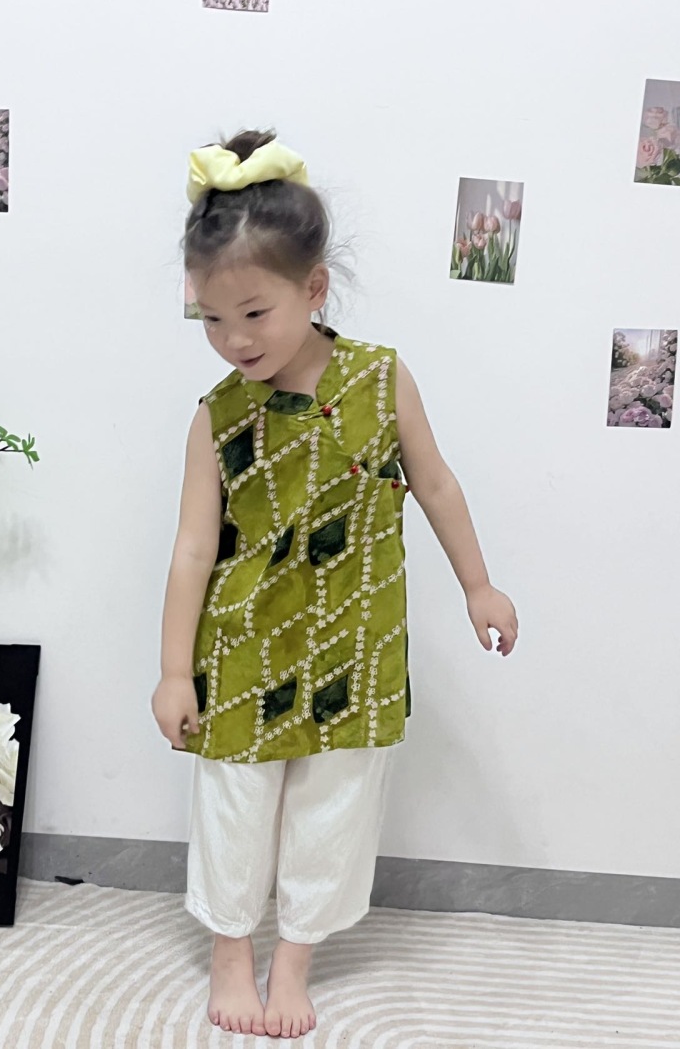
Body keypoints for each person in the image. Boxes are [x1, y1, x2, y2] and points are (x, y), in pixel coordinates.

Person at [151, 129, 518, 1040]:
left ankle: (295, 960)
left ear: (313, 289)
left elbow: (435, 484)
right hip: (244, 644)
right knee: (236, 806)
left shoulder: (380, 379)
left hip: (355, 641)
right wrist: (173, 672)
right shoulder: (217, 417)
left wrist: (479, 586)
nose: (234, 340)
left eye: (254, 313)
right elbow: (193, 549)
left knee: (335, 809)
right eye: (211, 319)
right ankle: (230, 952)